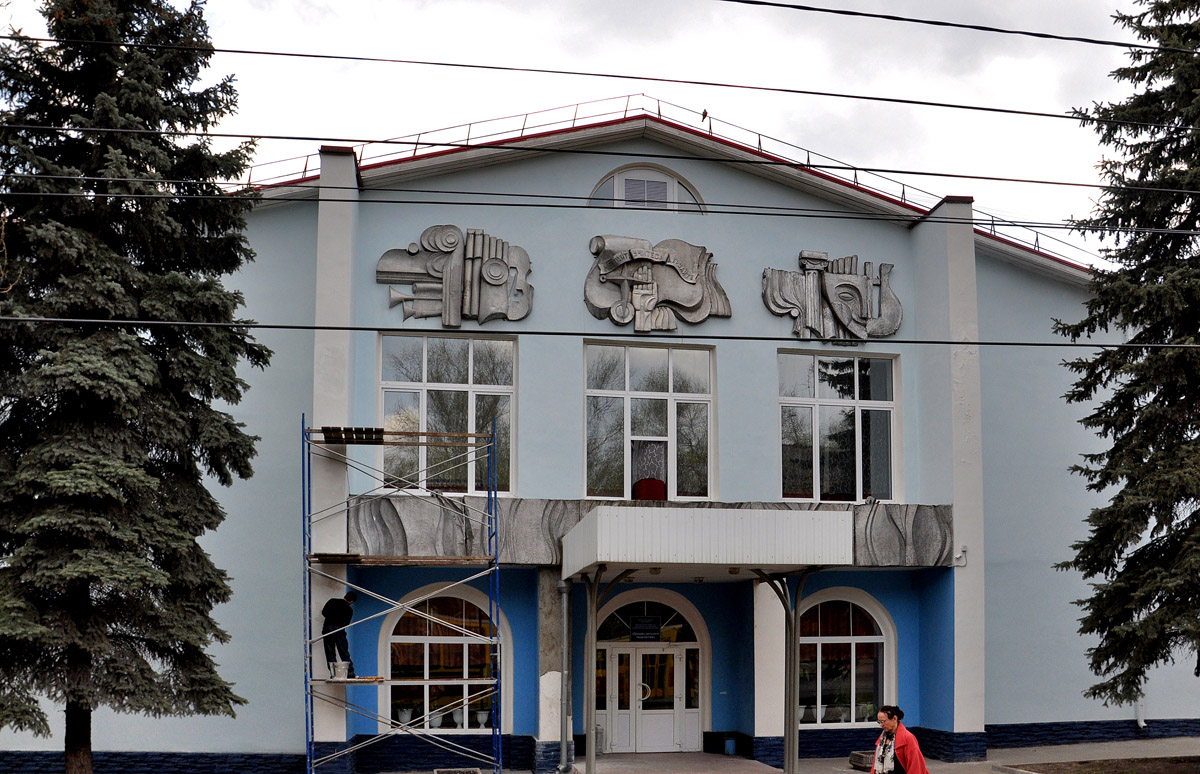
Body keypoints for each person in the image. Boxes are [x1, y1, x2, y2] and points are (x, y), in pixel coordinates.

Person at [871, 705, 929, 774]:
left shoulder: (907, 738)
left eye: (883, 721)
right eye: (879, 722)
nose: (881, 725)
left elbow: (915, 765)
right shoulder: (882, 739)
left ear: (894, 718)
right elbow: (875, 765)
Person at [321, 591, 357, 678]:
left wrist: (331, 618)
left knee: (330, 653)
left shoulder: (332, 601)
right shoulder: (349, 610)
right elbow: (346, 623)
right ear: (351, 601)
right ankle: (350, 673)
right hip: (339, 630)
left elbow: (324, 612)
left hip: (328, 629)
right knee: (343, 652)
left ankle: (333, 674)